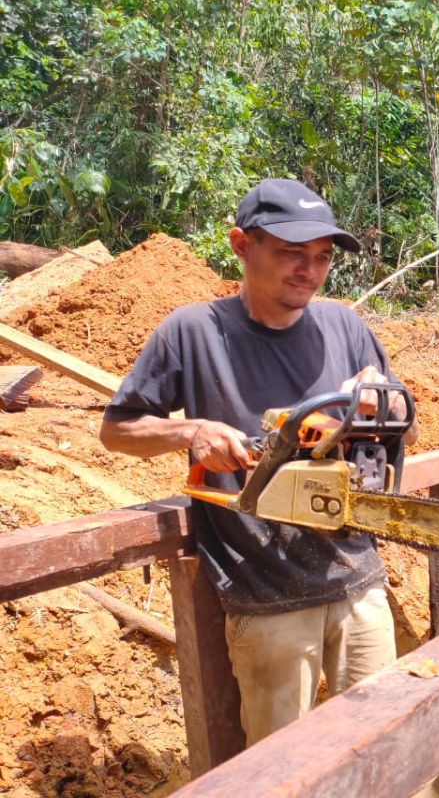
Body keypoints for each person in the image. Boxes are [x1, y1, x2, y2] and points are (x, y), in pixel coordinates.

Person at [99, 178, 417, 745]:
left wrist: (377, 405)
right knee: (280, 763)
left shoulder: (345, 326)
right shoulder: (193, 332)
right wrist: (190, 431)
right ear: (241, 245)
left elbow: (402, 428)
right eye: (291, 254)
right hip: (263, 593)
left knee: (381, 745)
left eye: (321, 259)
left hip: (358, 578)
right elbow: (117, 431)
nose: (309, 271)